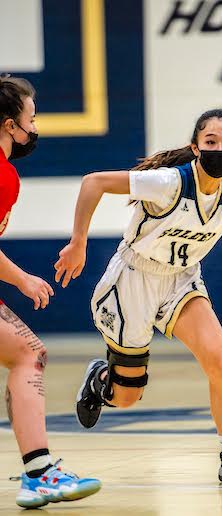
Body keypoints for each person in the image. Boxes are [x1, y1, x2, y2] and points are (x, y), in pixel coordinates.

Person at [55, 108, 222, 484]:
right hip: (133, 279)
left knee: (221, 363)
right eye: (211, 142)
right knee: (127, 397)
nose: (219, 149)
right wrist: (78, 242)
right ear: (196, 147)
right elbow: (93, 182)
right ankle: (101, 379)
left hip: (181, 280)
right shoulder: (167, 183)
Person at [0, 75, 101, 508]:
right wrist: (23, 279)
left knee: (26, 353)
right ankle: (40, 474)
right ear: (10, 125)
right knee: (28, 354)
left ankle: (39, 473)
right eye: (32, 118)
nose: (35, 128)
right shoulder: (3, 176)